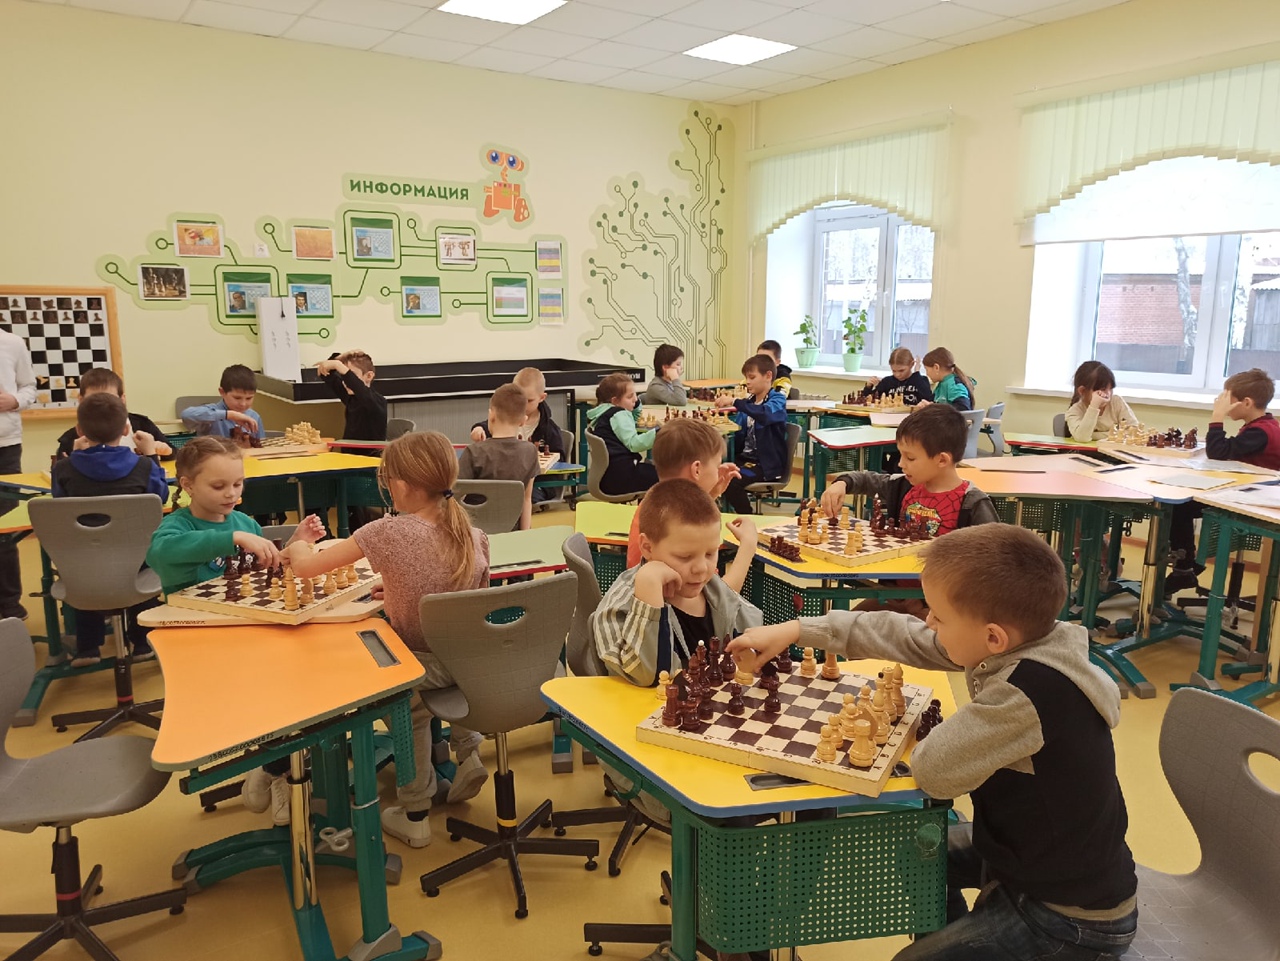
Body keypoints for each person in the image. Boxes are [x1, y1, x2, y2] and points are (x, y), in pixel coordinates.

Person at [727, 525, 1138, 961]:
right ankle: (957, 937)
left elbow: (935, 771)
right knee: (914, 847)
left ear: (993, 637)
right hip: (1023, 859)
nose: (928, 622)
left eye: (938, 616)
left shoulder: (1030, 692)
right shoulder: (1019, 641)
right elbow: (904, 635)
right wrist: (795, 630)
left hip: (1069, 916)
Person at [282, 431, 491, 848]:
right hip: (470, 663)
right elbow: (468, 600)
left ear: (402, 485)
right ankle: (468, 752)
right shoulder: (473, 533)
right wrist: (399, 590)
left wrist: (299, 543)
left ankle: (415, 812)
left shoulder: (387, 532)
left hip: (421, 664)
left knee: (408, 706)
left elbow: (306, 570)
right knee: (430, 677)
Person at [147, 437, 326, 826]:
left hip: (250, 632)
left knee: (301, 683)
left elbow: (266, 572)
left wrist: (296, 544)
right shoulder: (176, 526)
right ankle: (279, 769)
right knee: (270, 693)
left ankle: (274, 767)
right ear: (188, 485)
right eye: (219, 486)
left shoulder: (245, 523)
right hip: (200, 644)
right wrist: (231, 538)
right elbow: (160, 554)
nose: (231, 493)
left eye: (238, 484)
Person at [820, 404, 999, 618]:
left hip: (944, 611)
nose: (901, 464)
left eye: (910, 458)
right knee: (843, 624)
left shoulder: (972, 504)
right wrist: (842, 483)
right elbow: (866, 480)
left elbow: (992, 567)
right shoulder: (903, 486)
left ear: (942, 459)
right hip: (895, 598)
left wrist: (937, 609)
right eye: (901, 455)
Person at [593, 478, 762, 687]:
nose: (701, 568)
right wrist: (648, 590)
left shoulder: (713, 590)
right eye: (685, 557)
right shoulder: (618, 606)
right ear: (647, 547)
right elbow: (647, 675)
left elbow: (753, 638)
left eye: (710, 553)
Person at [51, 392, 170, 666]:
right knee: (142, 556)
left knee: (84, 563)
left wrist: (75, 455)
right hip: (136, 563)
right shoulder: (143, 466)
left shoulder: (64, 469)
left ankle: (88, 648)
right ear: (126, 429)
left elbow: (59, 503)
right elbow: (160, 497)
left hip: (83, 567)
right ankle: (142, 642)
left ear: (79, 430)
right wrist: (151, 455)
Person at [1166, 368, 1280, 593]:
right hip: (1249, 491)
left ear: (1246, 403)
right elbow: (1229, 452)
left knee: (1178, 504)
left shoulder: (1260, 432)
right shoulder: (1265, 426)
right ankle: (1186, 564)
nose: (1221, 404)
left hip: (1252, 500)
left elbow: (1218, 452)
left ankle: (1184, 568)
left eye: (1227, 400)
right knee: (1182, 503)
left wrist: (1217, 417)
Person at [623, 418, 756, 593]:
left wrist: (709, 495)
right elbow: (720, 598)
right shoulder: (677, 517)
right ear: (697, 470)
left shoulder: (654, 502)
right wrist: (748, 546)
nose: (718, 472)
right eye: (716, 466)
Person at [469, 367, 566, 506]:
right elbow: (490, 425)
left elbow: (559, 460)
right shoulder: (507, 417)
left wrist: (538, 462)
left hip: (539, 483)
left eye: (529, 400)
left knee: (520, 497)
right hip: (505, 480)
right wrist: (478, 429)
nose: (523, 405)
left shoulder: (550, 429)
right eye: (519, 400)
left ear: (542, 398)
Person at [458, 383, 539, 530]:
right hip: (511, 531)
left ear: (491, 415)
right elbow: (527, 500)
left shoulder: (474, 452)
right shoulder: (530, 451)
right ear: (523, 420)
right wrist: (525, 535)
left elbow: (454, 497)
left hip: (474, 532)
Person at [718, 354, 787, 515]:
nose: (747, 382)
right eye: (746, 377)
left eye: (752, 377)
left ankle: (748, 518)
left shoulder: (778, 400)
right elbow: (738, 431)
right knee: (713, 473)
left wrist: (735, 402)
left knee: (732, 481)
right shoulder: (749, 402)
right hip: (744, 460)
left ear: (768, 376)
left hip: (765, 465)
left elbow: (764, 414)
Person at [54, 367, 172, 459]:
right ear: (81, 400)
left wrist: (163, 450)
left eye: (110, 400)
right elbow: (58, 473)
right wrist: (75, 456)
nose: (102, 407)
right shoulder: (70, 439)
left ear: (122, 400)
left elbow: (173, 454)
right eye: (93, 400)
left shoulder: (142, 425)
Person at [0, 327, 35, 619]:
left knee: (5, 528)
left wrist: (14, 401)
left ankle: (9, 602)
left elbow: (29, 387)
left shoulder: (11, 343)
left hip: (6, 445)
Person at [587, 372, 658, 497]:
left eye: (635, 395)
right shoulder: (619, 414)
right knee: (668, 476)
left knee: (653, 470)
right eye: (630, 397)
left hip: (609, 477)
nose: (635, 399)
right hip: (623, 478)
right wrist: (659, 433)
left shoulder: (604, 412)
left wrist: (635, 405)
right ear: (615, 401)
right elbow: (634, 444)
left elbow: (632, 419)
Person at [316, 350, 387, 451]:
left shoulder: (377, 401)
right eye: (343, 376)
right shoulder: (351, 397)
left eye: (350, 375)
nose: (345, 382)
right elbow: (325, 374)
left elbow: (357, 386)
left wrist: (337, 365)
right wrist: (339, 358)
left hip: (368, 458)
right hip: (348, 455)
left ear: (369, 376)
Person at [180, 364, 264, 439]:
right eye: (237, 398)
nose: (243, 404)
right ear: (222, 392)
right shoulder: (213, 412)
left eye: (249, 398)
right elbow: (186, 415)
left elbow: (262, 444)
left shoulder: (254, 417)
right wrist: (229, 415)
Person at [1064, 361, 1137, 441]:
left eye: (1111, 389)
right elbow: (1082, 438)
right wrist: (1094, 405)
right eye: (1103, 389)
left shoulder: (1116, 402)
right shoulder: (1075, 411)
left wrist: (1093, 435)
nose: (1108, 394)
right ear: (1082, 391)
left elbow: (1134, 431)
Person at [866, 347, 933, 407]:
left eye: (901, 370)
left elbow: (928, 400)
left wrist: (916, 374)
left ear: (912, 364)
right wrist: (868, 387)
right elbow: (870, 400)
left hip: (914, 416)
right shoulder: (886, 382)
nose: (897, 374)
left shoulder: (921, 380)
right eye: (894, 371)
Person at [918, 347, 975, 411]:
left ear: (936, 367)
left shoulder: (954, 384)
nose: (927, 374)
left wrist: (935, 407)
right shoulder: (941, 385)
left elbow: (964, 407)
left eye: (927, 370)